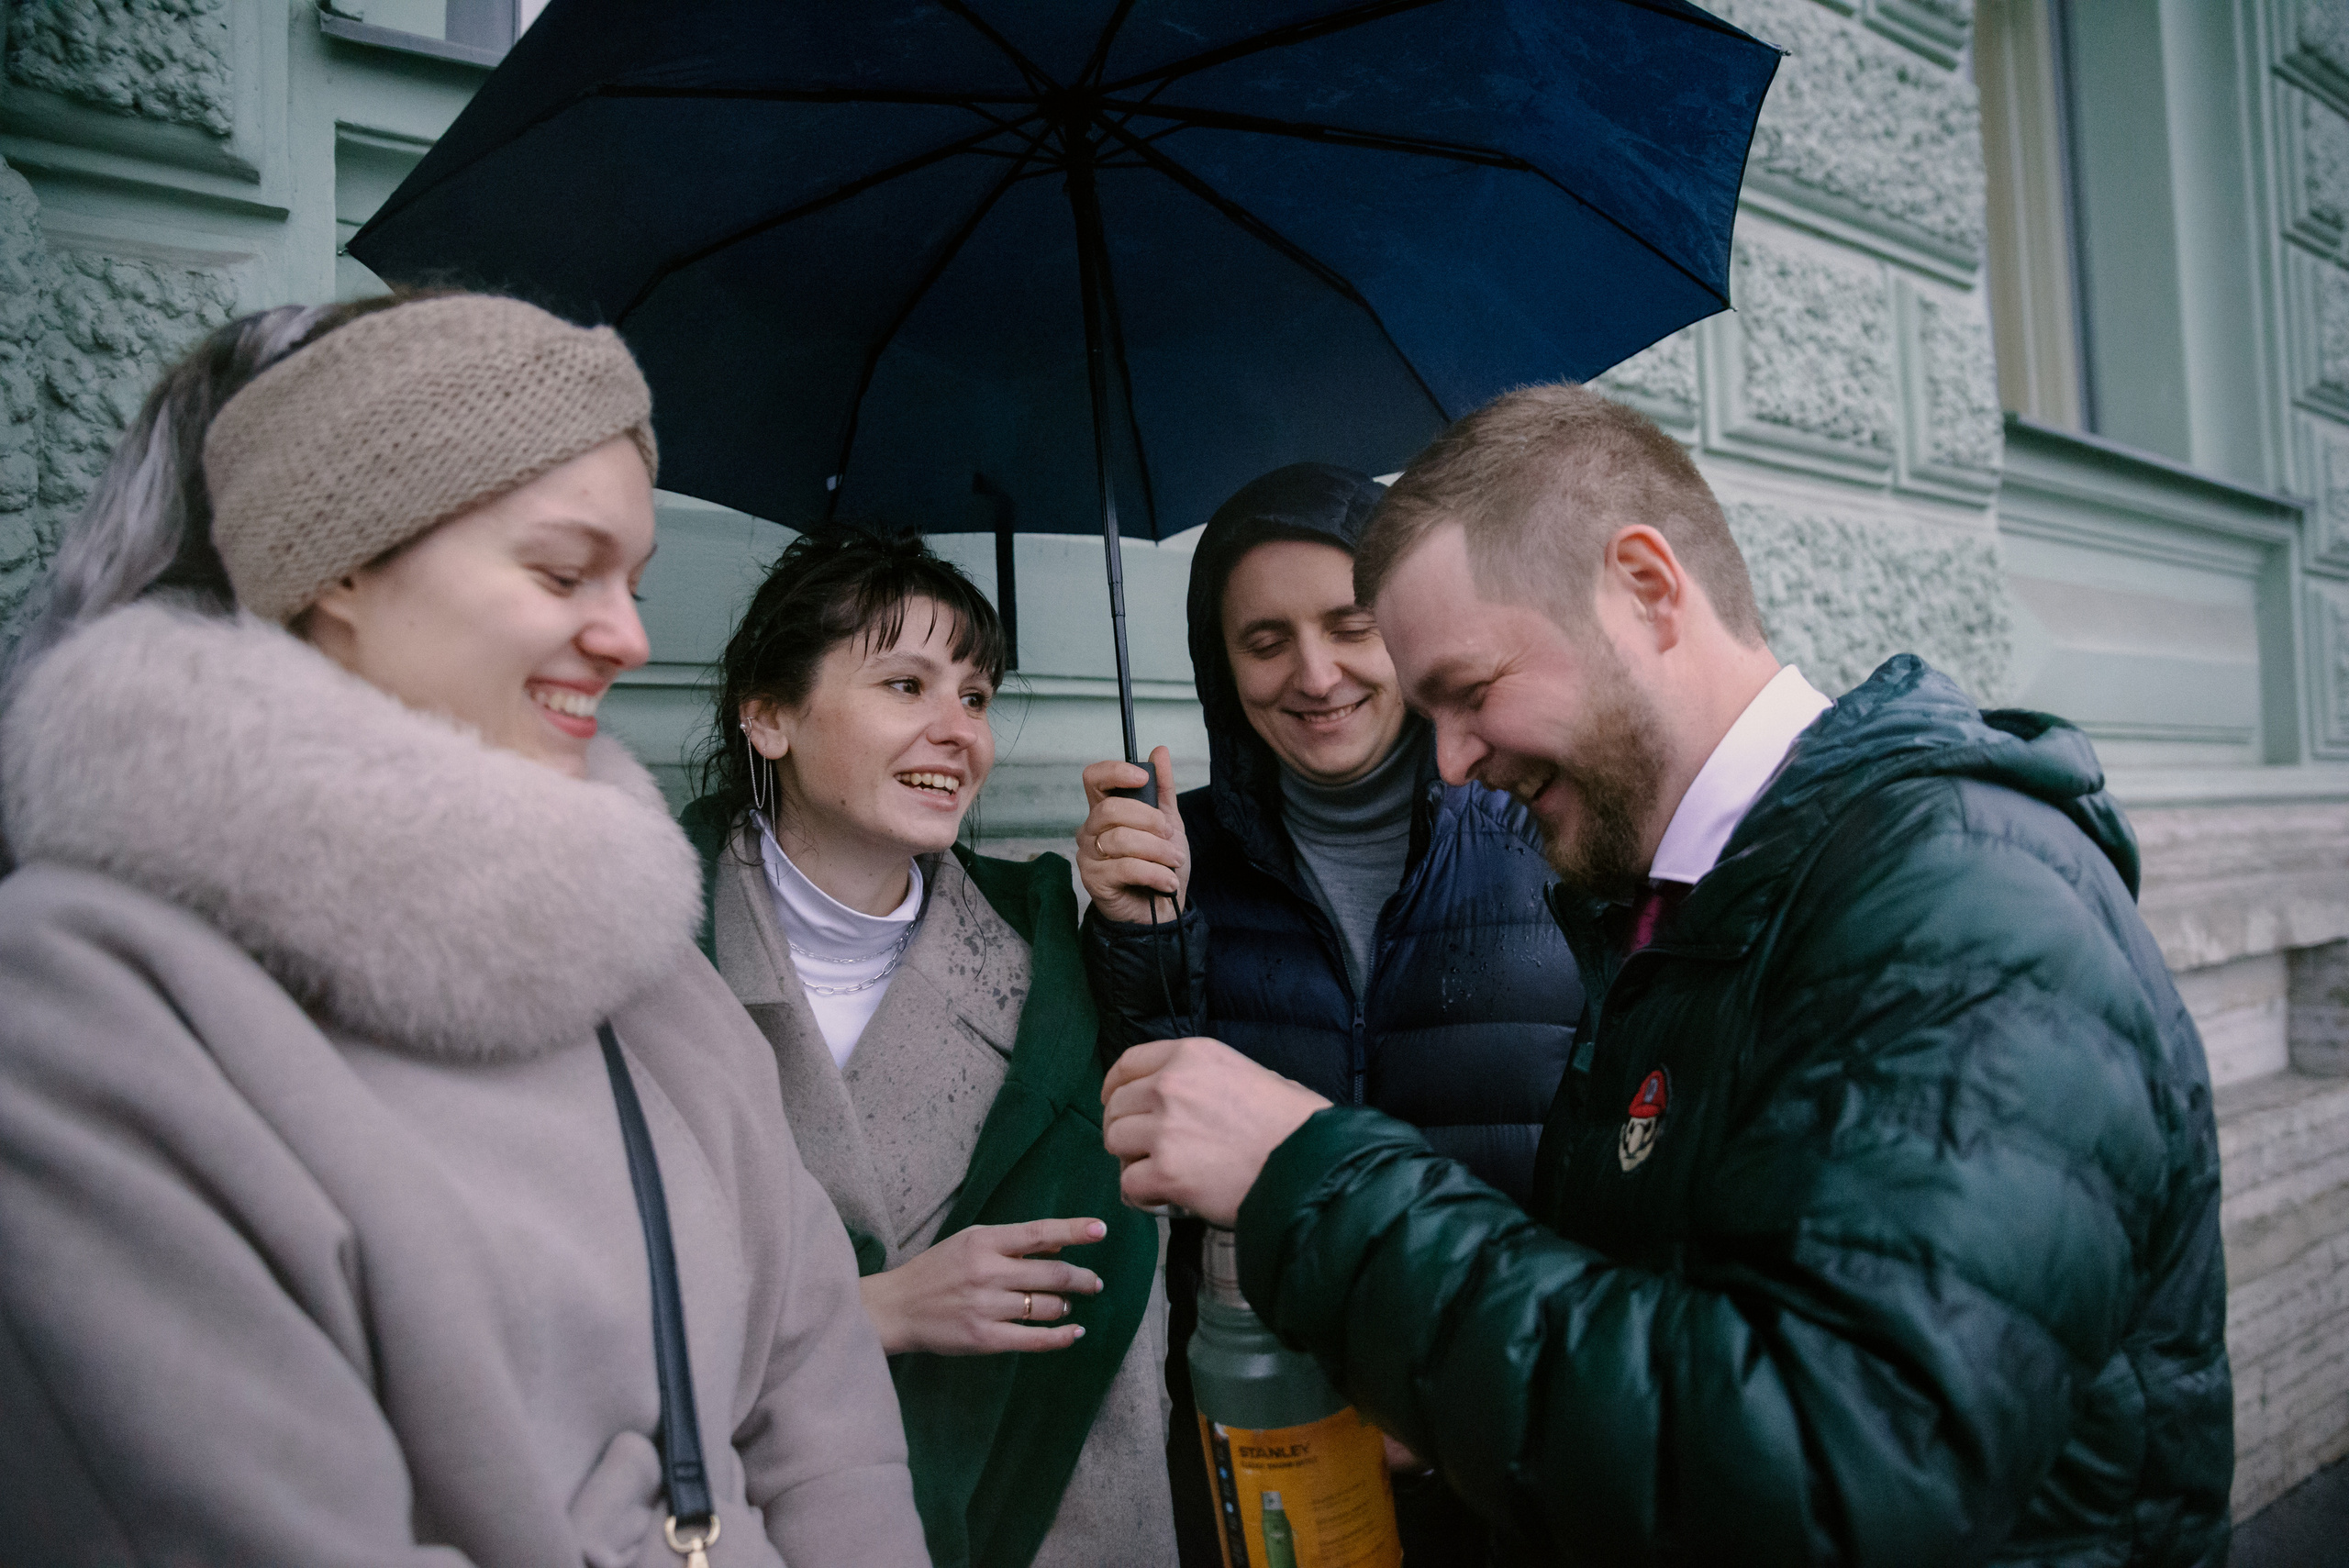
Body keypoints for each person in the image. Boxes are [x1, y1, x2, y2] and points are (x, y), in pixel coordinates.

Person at [1100, 384, 2232, 1566]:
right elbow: (1667, 1334)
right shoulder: (1680, 907)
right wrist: (1465, 1402)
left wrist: (1313, 1178)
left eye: (1470, 693)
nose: (1448, 760)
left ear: (1644, 588)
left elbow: (1827, 1476)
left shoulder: (1962, 906)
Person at [0, 293, 928, 1564]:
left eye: (635, 581)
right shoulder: (83, 1002)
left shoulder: (642, 963)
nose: (630, 637)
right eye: (562, 571)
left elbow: (824, 1409)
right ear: (334, 556)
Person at [1074, 462, 1581, 1565]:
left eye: (1351, 626)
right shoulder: (1175, 856)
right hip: (1274, 1436)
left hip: (1509, 1436)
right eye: (1265, 641)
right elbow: (1139, 1132)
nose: (1314, 674)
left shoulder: (1543, 831)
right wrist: (1133, 931)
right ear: (1223, 663)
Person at [678, 528, 1176, 1568]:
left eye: (978, 697)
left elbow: (1134, 1257)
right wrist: (867, 1311)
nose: (961, 733)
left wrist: (1141, 936)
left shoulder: (1047, 948)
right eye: (905, 685)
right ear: (767, 715)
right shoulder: (658, 949)